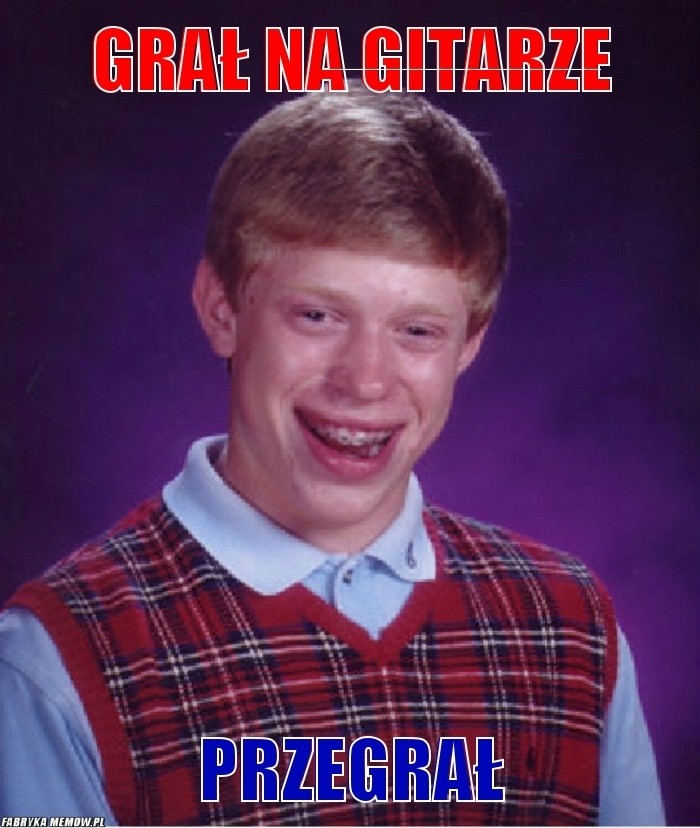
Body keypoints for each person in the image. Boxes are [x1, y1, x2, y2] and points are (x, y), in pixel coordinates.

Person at [0, 88, 664, 826]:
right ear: (221, 308)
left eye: (417, 330)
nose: (366, 380)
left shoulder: (570, 630)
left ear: (469, 344)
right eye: (317, 316)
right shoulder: (59, 659)